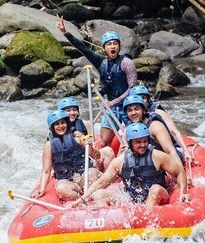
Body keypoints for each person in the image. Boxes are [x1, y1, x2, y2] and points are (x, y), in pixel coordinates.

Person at [56, 16, 137, 148]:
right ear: (104, 47)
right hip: (111, 108)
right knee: (103, 142)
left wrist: (114, 102)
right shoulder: (101, 62)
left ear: (119, 46)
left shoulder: (127, 63)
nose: (113, 47)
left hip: (129, 106)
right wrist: (65, 33)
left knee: (136, 137)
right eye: (109, 44)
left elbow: (132, 89)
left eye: (115, 43)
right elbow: (83, 48)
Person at [70, 123, 190, 207]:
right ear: (130, 143)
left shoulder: (158, 156)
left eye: (145, 141)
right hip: (133, 198)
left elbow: (179, 172)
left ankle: (146, 223)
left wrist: (184, 192)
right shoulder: (119, 161)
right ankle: (110, 226)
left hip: (158, 195)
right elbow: (102, 181)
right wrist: (83, 199)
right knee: (98, 194)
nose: (143, 145)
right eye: (138, 142)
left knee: (155, 189)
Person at [32, 110, 101, 202]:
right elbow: (46, 171)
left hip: (84, 174)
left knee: (91, 174)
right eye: (57, 124)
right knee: (61, 189)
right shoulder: (49, 145)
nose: (61, 126)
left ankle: (89, 195)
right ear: (52, 127)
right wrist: (41, 189)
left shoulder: (78, 138)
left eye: (63, 123)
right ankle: (81, 200)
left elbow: (97, 156)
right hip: (67, 180)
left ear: (67, 123)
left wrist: (91, 146)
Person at [129, 85, 193, 162]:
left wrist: (186, 151)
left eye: (143, 97)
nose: (141, 100)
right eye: (137, 97)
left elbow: (174, 132)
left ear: (148, 99)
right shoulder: (133, 118)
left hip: (165, 145)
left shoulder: (157, 113)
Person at [122, 95, 184, 167]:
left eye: (137, 109)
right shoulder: (127, 131)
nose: (133, 113)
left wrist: (180, 173)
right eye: (129, 110)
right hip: (145, 165)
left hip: (163, 161)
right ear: (126, 114)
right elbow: (122, 157)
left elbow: (170, 152)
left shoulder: (155, 126)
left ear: (143, 110)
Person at [57, 97, 115, 170]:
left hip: (88, 157)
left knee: (108, 151)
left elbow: (94, 150)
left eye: (74, 110)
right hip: (70, 163)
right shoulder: (58, 130)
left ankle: (108, 177)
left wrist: (90, 145)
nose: (72, 113)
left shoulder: (85, 124)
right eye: (68, 110)